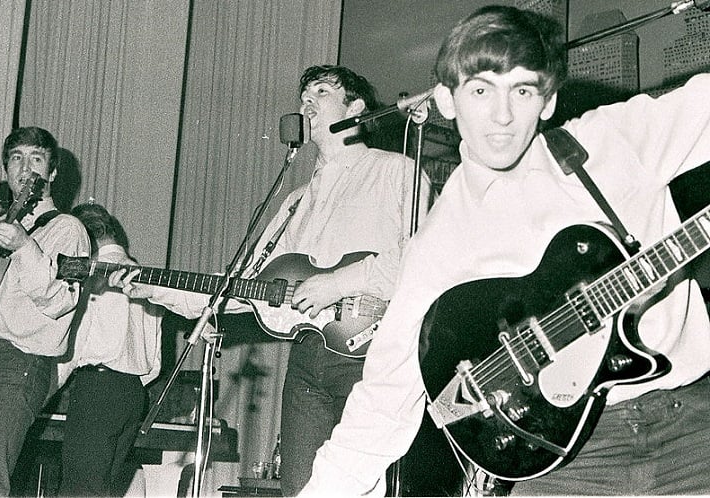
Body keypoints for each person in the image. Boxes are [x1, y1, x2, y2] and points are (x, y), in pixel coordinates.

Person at [300, 5, 710, 497]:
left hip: (693, 424)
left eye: (522, 89)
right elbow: (385, 401)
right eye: (480, 89)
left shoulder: (610, 143)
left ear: (548, 100)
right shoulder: (439, 244)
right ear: (447, 101)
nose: (502, 115)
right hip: (571, 460)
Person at [110, 64, 432, 496]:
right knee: (298, 489)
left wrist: (336, 284)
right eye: (303, 96)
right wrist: (155, 289)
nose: (307, 102)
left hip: (375, 355)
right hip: (305, 363)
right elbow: (244, 289)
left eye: (321, 91)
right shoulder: (297, 201)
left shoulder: (397, 172)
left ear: (356, 107)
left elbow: (421, 264)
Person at [0, 126, 91, 496]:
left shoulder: (69, 230)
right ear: (6, 170)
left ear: (52, 173)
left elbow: (60, 301)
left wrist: (25, 246)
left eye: (36, 158)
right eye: (16, 158)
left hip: (18, 366)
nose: (25, 167)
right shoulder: (7, 229)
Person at [56, 202, 163, 496]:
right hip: (132, 395)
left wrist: (42, 392)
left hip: (96, 390)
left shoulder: (93, 276)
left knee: (79, 491)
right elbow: (154, 362)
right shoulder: (149, 280)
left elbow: (71, 347)